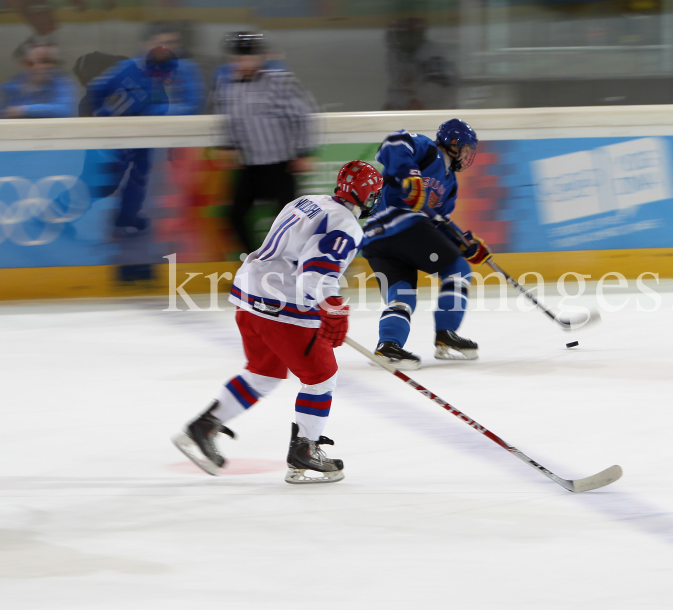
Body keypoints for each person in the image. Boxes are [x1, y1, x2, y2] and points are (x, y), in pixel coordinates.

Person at [172, 160, 384, 485]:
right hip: (281, 305)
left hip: (249, 296)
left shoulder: (308, 200)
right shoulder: (346, 223)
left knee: (264, 373)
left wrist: (326, 304)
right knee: (321, 376)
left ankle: (203, 426)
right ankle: (305, 450)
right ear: (367, 195)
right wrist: (333, 306)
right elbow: (314, 273)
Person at [362, 118, 490, 370]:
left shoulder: (450, 183)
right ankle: (446, 334)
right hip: (399, 223)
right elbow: (392, 143)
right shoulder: (428, 150)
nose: (466, 155)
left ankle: (388, 345)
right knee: (458, 270)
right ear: (451, 144)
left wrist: (464, 243)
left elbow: (436, 224)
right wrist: (409, 173)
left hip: (376, 238)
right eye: (464, 148)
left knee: (401, 295)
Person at [87, 23, 204, 236]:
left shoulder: (186, 69)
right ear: (146, 45)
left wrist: (155, 112)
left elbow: (193, 104)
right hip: (124, 135)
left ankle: (126, 217)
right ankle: (59, 212)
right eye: (161, 44)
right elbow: (97, 90)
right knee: (106, 180)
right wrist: (106, 119)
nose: (167, 49)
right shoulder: (129, 68)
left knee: (140, 177)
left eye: (172, 43)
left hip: (161, 139)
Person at [214, 32, 317, 253]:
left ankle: (309, 263)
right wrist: (230, 147)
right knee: (234, 215)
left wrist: (303, 151)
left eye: (250, 57)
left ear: (261, 57)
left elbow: (302, 115)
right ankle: (255, 263)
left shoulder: (279, 82)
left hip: (281, 165)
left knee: (292, 220)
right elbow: (230, 121)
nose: (245, 62)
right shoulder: (228, 86)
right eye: (240, 58)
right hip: (251, 166)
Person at [0, 42, 76, 118]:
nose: (49, 66)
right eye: (43, 61)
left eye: (51, 62)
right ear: (27, 63)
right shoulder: (12, 86)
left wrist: (24, 110)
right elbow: (3, 114)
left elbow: (65, 110)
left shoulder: (60, 84)